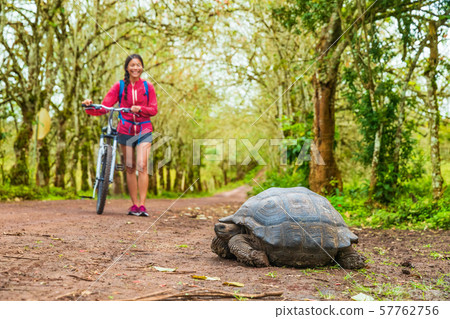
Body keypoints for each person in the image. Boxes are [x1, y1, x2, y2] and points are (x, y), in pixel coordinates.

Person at [82, 54, 157, 217]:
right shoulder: (120, 86)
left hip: (144, 128)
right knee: (130, 167)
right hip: (125, 129)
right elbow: (104, 107)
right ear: (127, 68)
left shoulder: (148, 87)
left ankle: (143, 205)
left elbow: (154, 109)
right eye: (132, 65)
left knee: (142, 165)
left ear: (142, 68)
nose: (135, 68)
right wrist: (88, 106)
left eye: (138, 65)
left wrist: (140, 109)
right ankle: (134, 205)